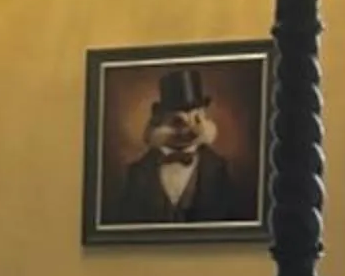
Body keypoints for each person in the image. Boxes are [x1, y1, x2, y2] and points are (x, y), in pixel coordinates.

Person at [106, 64, 253, 226]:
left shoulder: (219, 169)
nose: (188, 129)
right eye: (178, 121)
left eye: (196, 120)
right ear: (160, 122)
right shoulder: (137, 173)